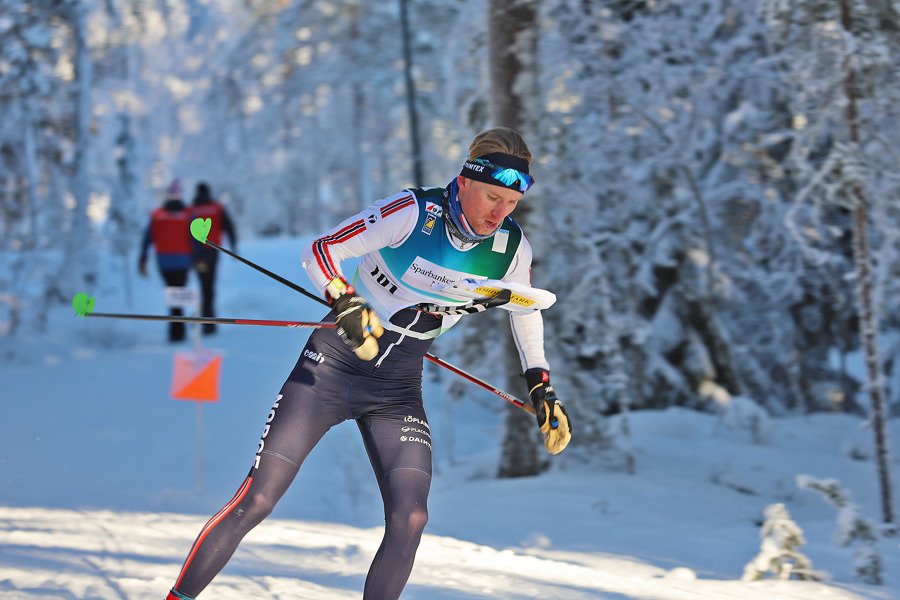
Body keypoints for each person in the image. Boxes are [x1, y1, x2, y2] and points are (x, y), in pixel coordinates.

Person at [164, 127, 571, 600]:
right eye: (492, 197)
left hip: (397, 389)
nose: (499, 214)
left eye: (511, 204)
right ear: (463, 182)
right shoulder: (411, 213)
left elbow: (526, 309)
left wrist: (540, 385)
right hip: (330, 369)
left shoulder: (511, 248)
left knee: (411, 518)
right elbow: (321, 250)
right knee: (257, 499)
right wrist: (345, 300)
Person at [139, 179, 192, 342]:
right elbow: (196, 239)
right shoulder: (188, 214)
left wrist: (143, 258)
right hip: (183, 260)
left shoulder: (157, 215)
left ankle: (175, 331)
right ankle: (179, 331)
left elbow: (147, 238)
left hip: (164, 262)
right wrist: (199, 258)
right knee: (178, 294)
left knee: (172, 294)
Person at [190, 182, 237, 335]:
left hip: (196, 254)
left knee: (203, 286)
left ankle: (205, 320)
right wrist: (234, 245)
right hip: (212, 251)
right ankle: (209, 322)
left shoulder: (192, 209)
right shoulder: (216, 208)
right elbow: (229, 226)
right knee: (209, 287)